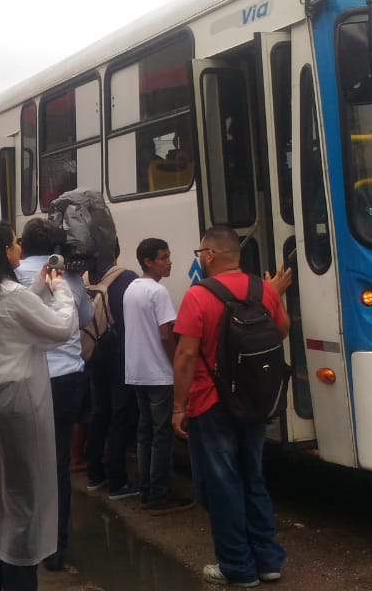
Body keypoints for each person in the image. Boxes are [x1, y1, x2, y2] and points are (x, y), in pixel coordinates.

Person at [0, 222, 79, 590]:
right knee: (22, 500)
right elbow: (60, 328)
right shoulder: (11, 295)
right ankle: (19, 579)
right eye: (15, 242)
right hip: (12, 403)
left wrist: (39, 285)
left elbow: (12, 308)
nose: (20, 247)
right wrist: (60, 290)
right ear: (6, 250)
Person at [172, 226, 291, 587]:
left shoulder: (198, 296)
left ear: (209, 255)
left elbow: (186, 354)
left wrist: (179, 407)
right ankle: (269, 561)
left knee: (223, 484)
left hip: (211, 403)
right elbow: (282, 330)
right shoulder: (263, 290)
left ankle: (237, 567)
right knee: (252, 476)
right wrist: (276, 295)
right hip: (254, 400)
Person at [15, 218, 94, 572]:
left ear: (22, 246)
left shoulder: (11, 279)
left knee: (23, 460)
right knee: (58, 463)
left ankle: (24, 539)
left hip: (24, 379)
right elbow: (83, 319)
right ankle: (56, 549)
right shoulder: (70, 278)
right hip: (65, 380)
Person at [124, 238, 193, 514]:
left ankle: (146, 488)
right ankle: (159, 495)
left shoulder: (131, 289)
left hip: (137, 372)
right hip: (159, 373)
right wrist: (176, 362)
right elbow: (166, 334)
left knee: (145, 433)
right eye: (163, 258)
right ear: (149, 261)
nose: (169, 262)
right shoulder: (158, 292)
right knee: (161, 435)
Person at [83, 251, 140, 502]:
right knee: (119, 415)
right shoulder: (126, 278)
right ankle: (118, 481)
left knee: (98, 412)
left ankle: (95, 474)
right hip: (119, 356)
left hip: (94, 354)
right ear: (115, 251)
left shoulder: (84, 278)